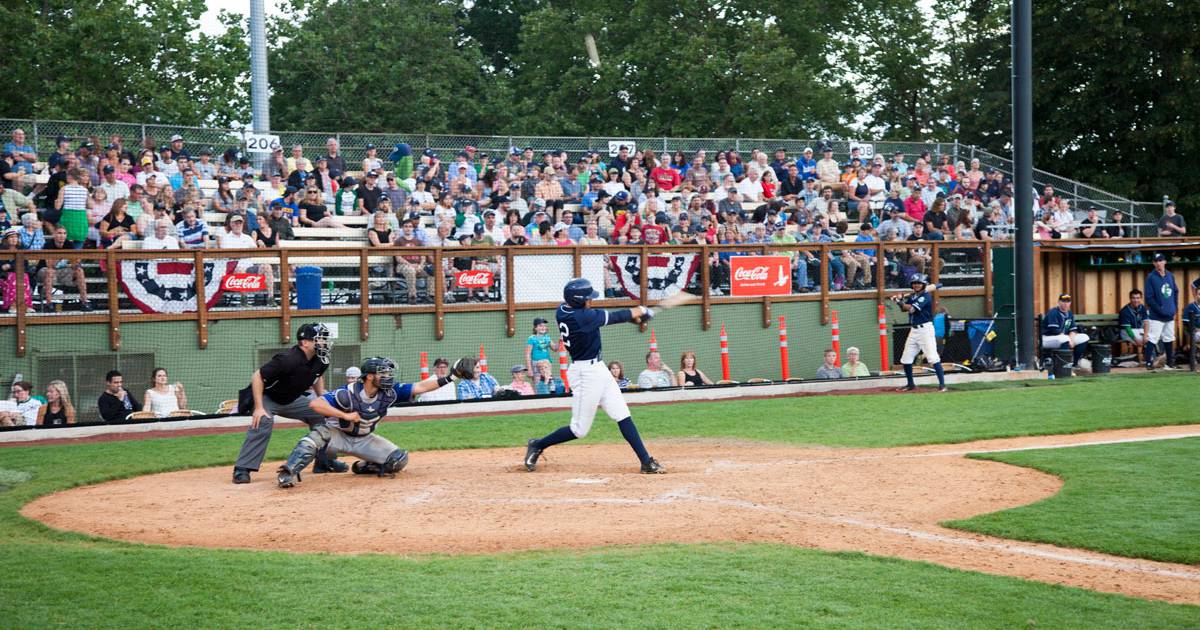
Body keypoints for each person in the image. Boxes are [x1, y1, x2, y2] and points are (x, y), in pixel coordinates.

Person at [523, 278, 664, 474]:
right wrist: (641, 311)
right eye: (589, 298)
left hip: (598, 369)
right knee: (579, 430)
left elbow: (607, 318)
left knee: (622, 414)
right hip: (585, 374)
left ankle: (646, 461)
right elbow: (616, 316)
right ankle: (538, 444)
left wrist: (634, 317)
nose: (592, 300)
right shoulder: (583, 317)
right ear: (580, 301)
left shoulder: (563, 310)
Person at [275, 357, 454, 487]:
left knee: (398, 460)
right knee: (317, 435)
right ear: (369, 376)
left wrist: (450, 378)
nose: (388, 377)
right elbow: (316, 404)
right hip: (337, 436)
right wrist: (344, 415)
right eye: (383, 373)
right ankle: (288, 473)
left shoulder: (390, 392)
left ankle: (363, 466)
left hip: (364, 439)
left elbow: (421, 387)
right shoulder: (346, 393)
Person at [231, 323, 346, 484]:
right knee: (263, 420)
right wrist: (258, 408)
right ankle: (242, 469)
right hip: (268, 397)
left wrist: (322, 400)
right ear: (305, 342)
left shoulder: (322, 359)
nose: (324, 342)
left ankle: (324, 462)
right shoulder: (287, 360)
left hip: (292, 399)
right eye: (320, 339)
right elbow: (257, 376)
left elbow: (318, 377)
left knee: (324, 416)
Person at [893, 273, 947, 392]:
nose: (917, 285)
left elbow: (912, 309)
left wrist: (899, 301)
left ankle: (942, 385)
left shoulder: (925, 297)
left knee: (932, 357)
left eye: (919, 283)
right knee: (906, 358)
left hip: (925, 330)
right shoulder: (913, 297)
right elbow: (904, 309)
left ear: (924, 285)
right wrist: (900, 301)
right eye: (915, 283)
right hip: (914, 330)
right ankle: (910, 384)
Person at [1144, 253, 1179, 370]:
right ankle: (1148, 363)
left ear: (1165, 262)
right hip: (1156, 315)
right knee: (1153, 338)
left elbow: (1175, 292)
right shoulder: (1150, 277)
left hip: (1169, 314)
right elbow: (1149, 298)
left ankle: (1170, 363)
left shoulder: (1170, 276)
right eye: (1156, 261)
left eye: (1160, 260)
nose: (1158, 263)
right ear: (1153, 263)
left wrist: (1175, 307)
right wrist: (1160, 309)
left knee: (1169, 338)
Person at [1041, 293, 1090, 370]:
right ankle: (1064, 366)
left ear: (1070, 303)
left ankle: (1074, 364)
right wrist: (1069, 339)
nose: (1065, 304)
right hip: (1047, 338)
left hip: (1063, 338)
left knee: (1084, 337)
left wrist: (1072, 339)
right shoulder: (1053, 312)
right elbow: (1054, 330)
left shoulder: (1069, 313)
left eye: (1067, 302)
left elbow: (1073, 329)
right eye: (1063, 301)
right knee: (1065, 339)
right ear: (1059, 302)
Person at [1119, 289, 1152, 368]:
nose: (1136, 300)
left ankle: (1150, 360)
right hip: (1126, 331)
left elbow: (1146, 323)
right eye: (1133, 298)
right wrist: (1136, 340)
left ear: (1141, 298)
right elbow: (1128, 329)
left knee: (1151, 337)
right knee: (1141, 338)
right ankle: (1145, 360)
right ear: (1130, 299)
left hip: (1139, 330)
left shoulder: (1142, 308)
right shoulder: (1125, 310)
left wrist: (1145, 335)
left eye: (1138, 298)